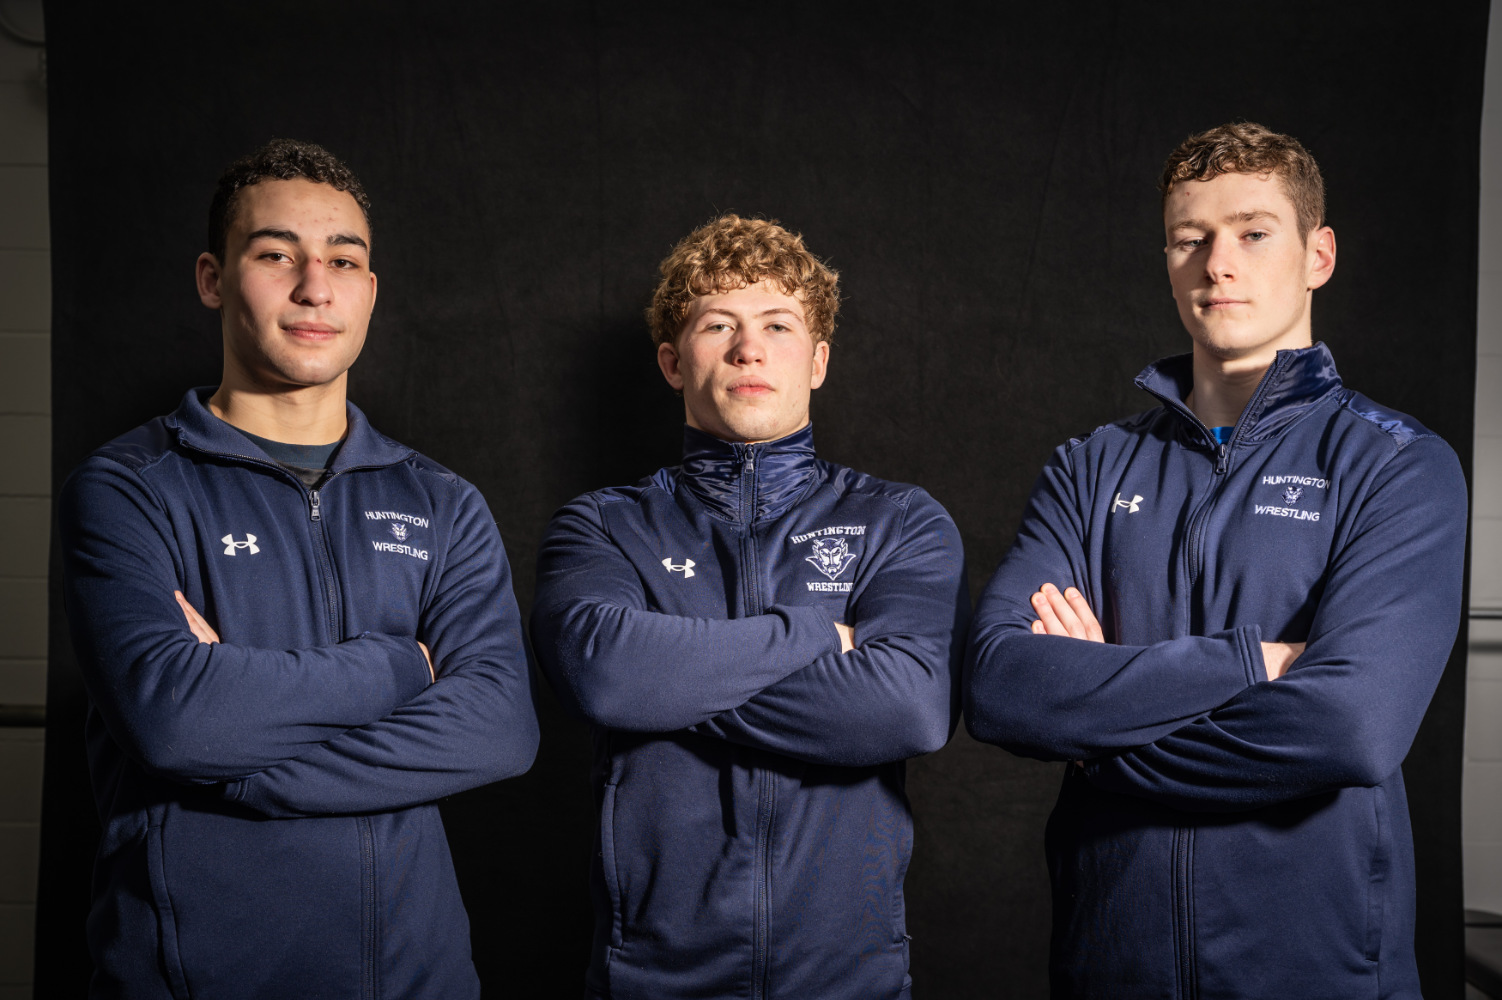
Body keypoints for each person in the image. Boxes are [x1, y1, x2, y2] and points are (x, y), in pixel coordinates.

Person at [964, 122, 1467, 999]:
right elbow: (1002, 685)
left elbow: (1350, 727)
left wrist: (1098, 741)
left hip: (1318, 972)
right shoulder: (1092, 467)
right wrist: (1249, 662)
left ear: (1319, 255)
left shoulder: (1396, 463)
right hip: (1110, 966)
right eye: (1190, 239)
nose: (1217, 264)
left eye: (1253, 233)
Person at [60, 138, 539, 999]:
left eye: (343, 260)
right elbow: (175, 724)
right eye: (277, 254)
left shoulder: (441, 502)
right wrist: (405, 665)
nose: (315, 285)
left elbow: (501, 727)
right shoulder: (129, 488)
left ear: (369, 292)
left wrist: (229, 756)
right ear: (213, 278)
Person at [530, 214, 968, 1000]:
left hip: (849, 981)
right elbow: (605, 677)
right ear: (672, 361)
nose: (749, 348)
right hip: (652, 981)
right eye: (717, 325)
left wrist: (671, 680)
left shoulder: (899, 521)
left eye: (777, 324)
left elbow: (908, 708)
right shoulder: (602, 524)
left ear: (819, 360)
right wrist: (813, 636)